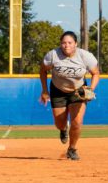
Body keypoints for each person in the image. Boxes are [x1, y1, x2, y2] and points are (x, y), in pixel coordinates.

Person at [38, 30, 100, 161]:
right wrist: (44, 91)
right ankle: (63, 128)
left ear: (76, 44)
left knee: (77, 122)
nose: (66, 45)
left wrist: (91, 89)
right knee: (59, 123)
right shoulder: (53, 55)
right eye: (64, 43)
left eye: (70, 42)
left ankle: (72, 149)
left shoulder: (85, 56)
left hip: (78, 91)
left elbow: (96, 73)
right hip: (58, 90)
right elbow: (43, 70)